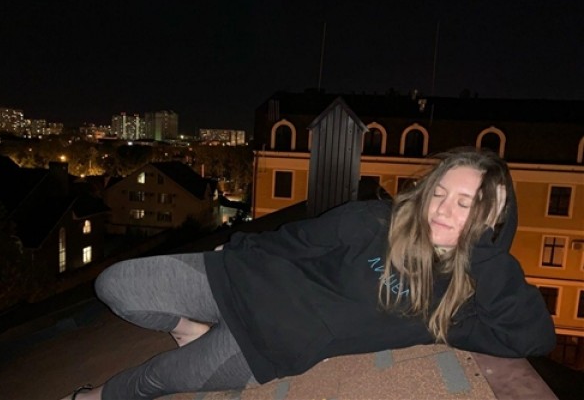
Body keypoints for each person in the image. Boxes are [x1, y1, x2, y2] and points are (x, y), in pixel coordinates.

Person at [63, 147, 556, 400]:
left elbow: (533, 338)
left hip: (264, 346)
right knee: (115, 285)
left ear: (490, 218)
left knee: (154, 379)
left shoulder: (456, 303)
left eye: (466, 204)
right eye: (441, 193)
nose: (443, 209)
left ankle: (93, 397)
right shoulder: (374, 221)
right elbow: (296, 240)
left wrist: (483, 250)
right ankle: (189, 327)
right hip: (244, 279)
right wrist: (236, 248)